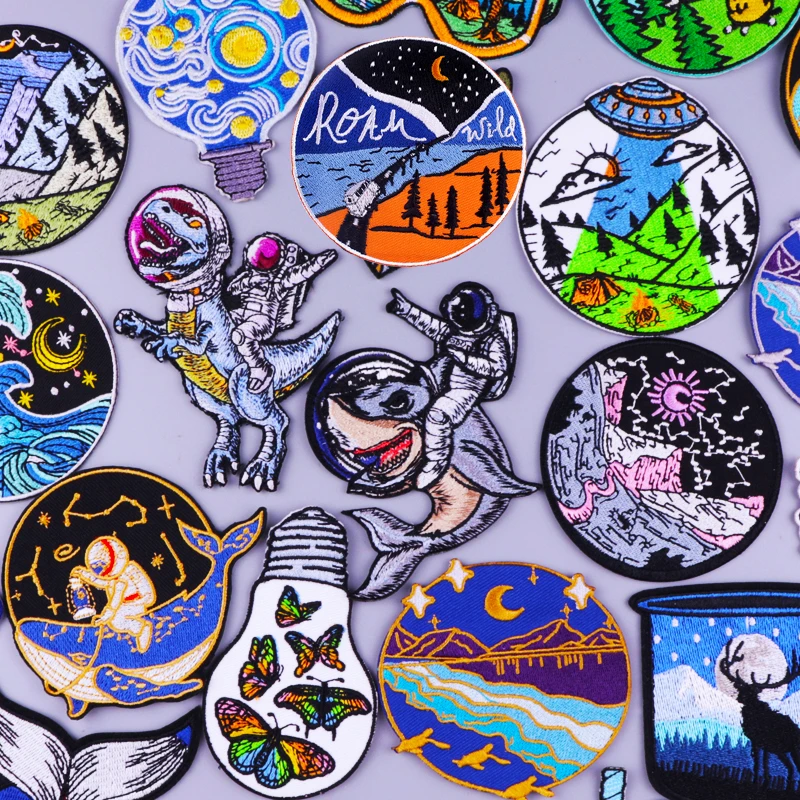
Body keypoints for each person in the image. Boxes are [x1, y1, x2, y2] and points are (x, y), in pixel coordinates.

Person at [386, 282, 514, 489]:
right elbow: (431, 325)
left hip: (466, 389)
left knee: (438, 415)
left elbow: (497, 368)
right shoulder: (455, 332)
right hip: (436, 378)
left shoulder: (491, 340)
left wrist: (464, 358)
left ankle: (435, 461)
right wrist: (405, 309)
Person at [228, 234, 337, 393]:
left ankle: (260, 368)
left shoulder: (279, 281)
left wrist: (319, 262)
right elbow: (232, 289)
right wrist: (249, 281)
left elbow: (301, 274)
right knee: (222, 318)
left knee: (242, 335)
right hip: (242, 314)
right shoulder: (247, 277)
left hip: (262, 320)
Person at [70, 537, 156, 652]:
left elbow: (117, 600)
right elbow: (99, 580)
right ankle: (140, 628)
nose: (98, 569)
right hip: (123, 606)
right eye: (95, 566)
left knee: (117, 621)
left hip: (136, 603)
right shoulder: (110, 577)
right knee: (116, 621)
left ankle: (141, 628)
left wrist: (106, 616)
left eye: (100, 564)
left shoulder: (129, 571)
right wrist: (83, 573)